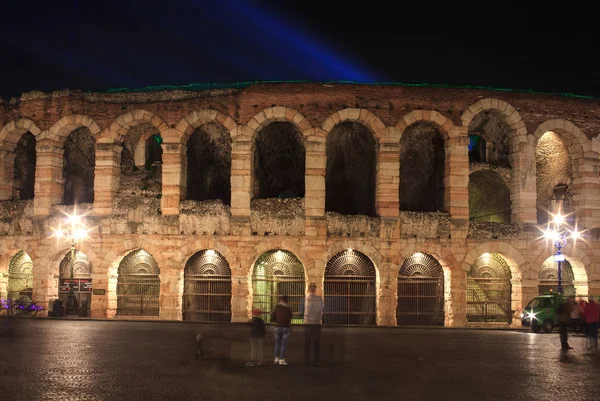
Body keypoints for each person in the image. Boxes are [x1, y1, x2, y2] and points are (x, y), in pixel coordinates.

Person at [303, 283, 324, 366]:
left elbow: (301, 310)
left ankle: (306, 360)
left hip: (308, 324)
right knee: (316, 343)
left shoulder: (305, 299)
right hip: (316, 323)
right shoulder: (320, 299)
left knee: (307, 343)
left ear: (308, 289)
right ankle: (316, 360)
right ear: (315, 289)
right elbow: (321, 310)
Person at [271, 295, 292, 365]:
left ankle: (276, 358)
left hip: (277, 326)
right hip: (285, 327)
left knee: (277, 343)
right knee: (283, 344)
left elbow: (272, 316)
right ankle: (281, 359)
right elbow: (290, 316)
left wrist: (276, 321)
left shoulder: (276, 307)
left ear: (280, 300)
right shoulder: (288, 308)